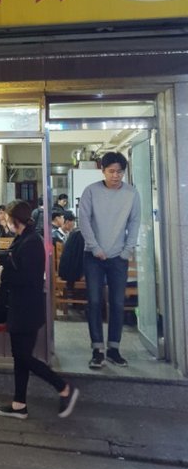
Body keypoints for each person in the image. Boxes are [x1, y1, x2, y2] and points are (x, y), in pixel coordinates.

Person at [0, 199, 79, 420]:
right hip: (22, 307)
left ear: (15, 220)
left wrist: (4, 272)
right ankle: (19, 404)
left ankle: (63, 387)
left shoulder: (31, 242)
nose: (6, 222)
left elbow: (27, 278)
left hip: (25, 308)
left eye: (8, 218)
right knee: (20, 357)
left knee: (22, 356)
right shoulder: (26, 238)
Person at [78, 151, 141, 369]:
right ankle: (97, 350)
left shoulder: (131, 193)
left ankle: (114, 348)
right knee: (95, 302)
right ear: (102, 171)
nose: (116, 176)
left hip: (118, 257)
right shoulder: (91, 191)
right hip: (93, 257)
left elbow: (134, 222)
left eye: (120, 172)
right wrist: (95, 247)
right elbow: (84, 221)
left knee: (117, 303)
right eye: (111, 171)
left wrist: (127, 250)